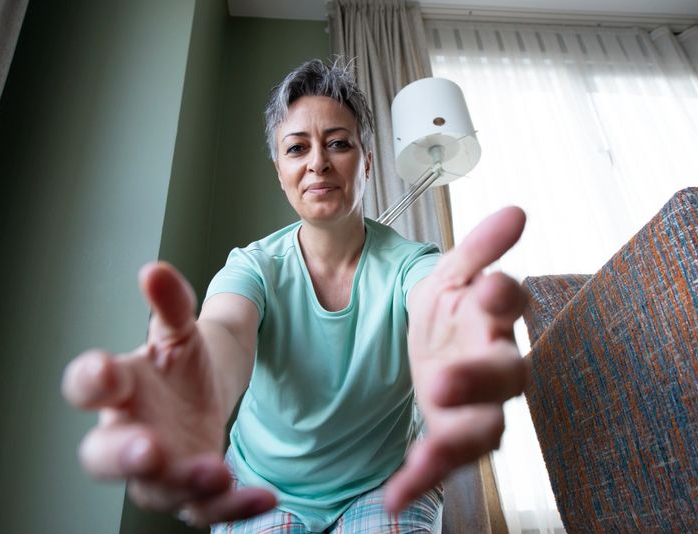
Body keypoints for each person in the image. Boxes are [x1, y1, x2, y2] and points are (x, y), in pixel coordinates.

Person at [62, 58, 528, 533]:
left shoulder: (412, 263)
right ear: (279, 171)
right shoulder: (254, 266)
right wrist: (195, 379)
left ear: (367, 162)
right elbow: (225, 331)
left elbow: (435, 302)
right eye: (297, 148)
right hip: (262, 484)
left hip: (382, 483)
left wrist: (456, 332)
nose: (317, 162)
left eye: (338, 143)